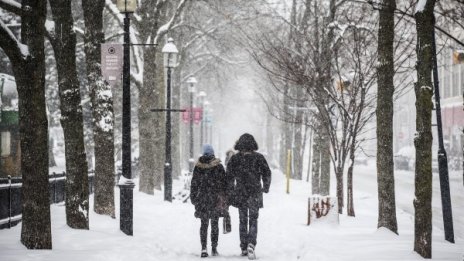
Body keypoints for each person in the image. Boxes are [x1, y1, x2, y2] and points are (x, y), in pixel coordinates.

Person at [226, 133, 271, 260]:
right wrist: (265, 186)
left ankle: (244, 247)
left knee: (242, 220)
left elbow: (229, 176)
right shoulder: (259, 158)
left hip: (240, 192)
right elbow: (267, 172)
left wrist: (230, 190)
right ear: (253, 144)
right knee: (253, 219)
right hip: (255, 192)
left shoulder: (235, 159)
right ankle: (251, 243)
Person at [190, 144, 227, 258]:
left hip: (202, 199)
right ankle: (214, 248)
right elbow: (224, 184)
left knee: (204, 224)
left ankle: (204, 248)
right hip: (215, 199)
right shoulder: (219, 167)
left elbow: (194, 184)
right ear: (213, 153)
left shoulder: (198, 167)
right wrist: (225, 197)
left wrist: (194, 197)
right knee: (215, 224)